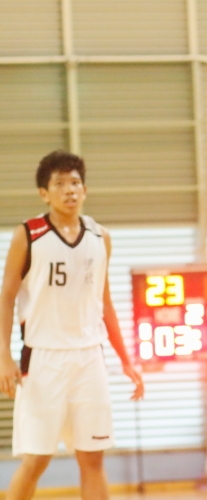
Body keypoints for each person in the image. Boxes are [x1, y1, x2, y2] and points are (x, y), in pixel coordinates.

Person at [0, 150, 144, 500]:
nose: (70, 190)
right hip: (43, 358)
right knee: (37, 458)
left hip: (89, 359)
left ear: (85, 189)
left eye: (75, 182)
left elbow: (104, 303)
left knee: (93, 459)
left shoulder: (100, 236)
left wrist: (126, 360)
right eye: (60, 183)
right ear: (44, 193)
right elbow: (5, 297)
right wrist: (4, 357)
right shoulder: (28, 234)